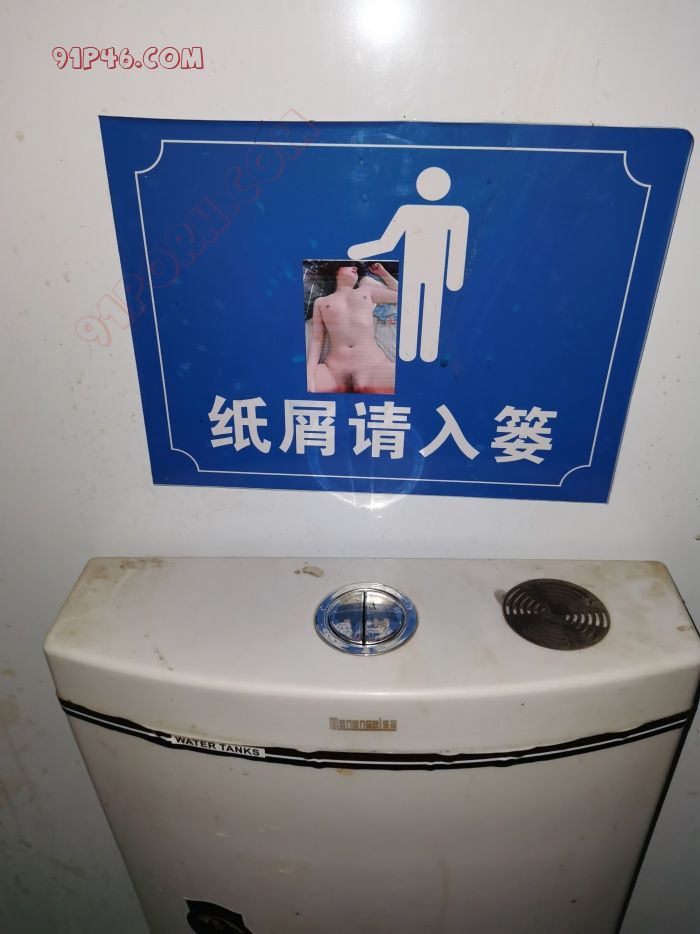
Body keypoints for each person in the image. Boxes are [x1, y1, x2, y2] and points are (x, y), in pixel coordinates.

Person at [306, 260, 398, 394]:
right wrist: (309, 374)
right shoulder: (321, 302)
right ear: (336, 270)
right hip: (333, 372)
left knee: (410, 380)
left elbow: (402, 296)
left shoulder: (366, 291)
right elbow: (317, 339)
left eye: (357, 268)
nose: (355, 268)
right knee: (297, 383)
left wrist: (383, 274)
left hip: (373, 367)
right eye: (350, 265)